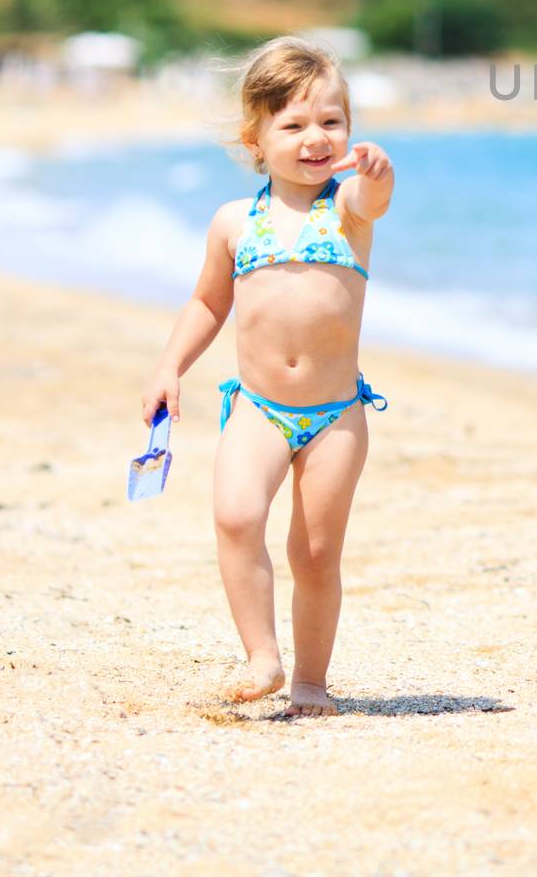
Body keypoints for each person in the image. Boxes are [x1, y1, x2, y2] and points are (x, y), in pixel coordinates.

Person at [140, 35, 395, 716]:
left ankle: (312, 680)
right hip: (258, 406)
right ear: (256, 139)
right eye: (294, 124)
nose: (316, 138)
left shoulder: (345, 209)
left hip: (335, 414)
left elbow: (376, 198)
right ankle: (262, 658)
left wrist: (374, 171)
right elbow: (207, 302)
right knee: (235, 515)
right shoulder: (234, 223)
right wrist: (171, 368)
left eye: (332, 122)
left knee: (315, 551)